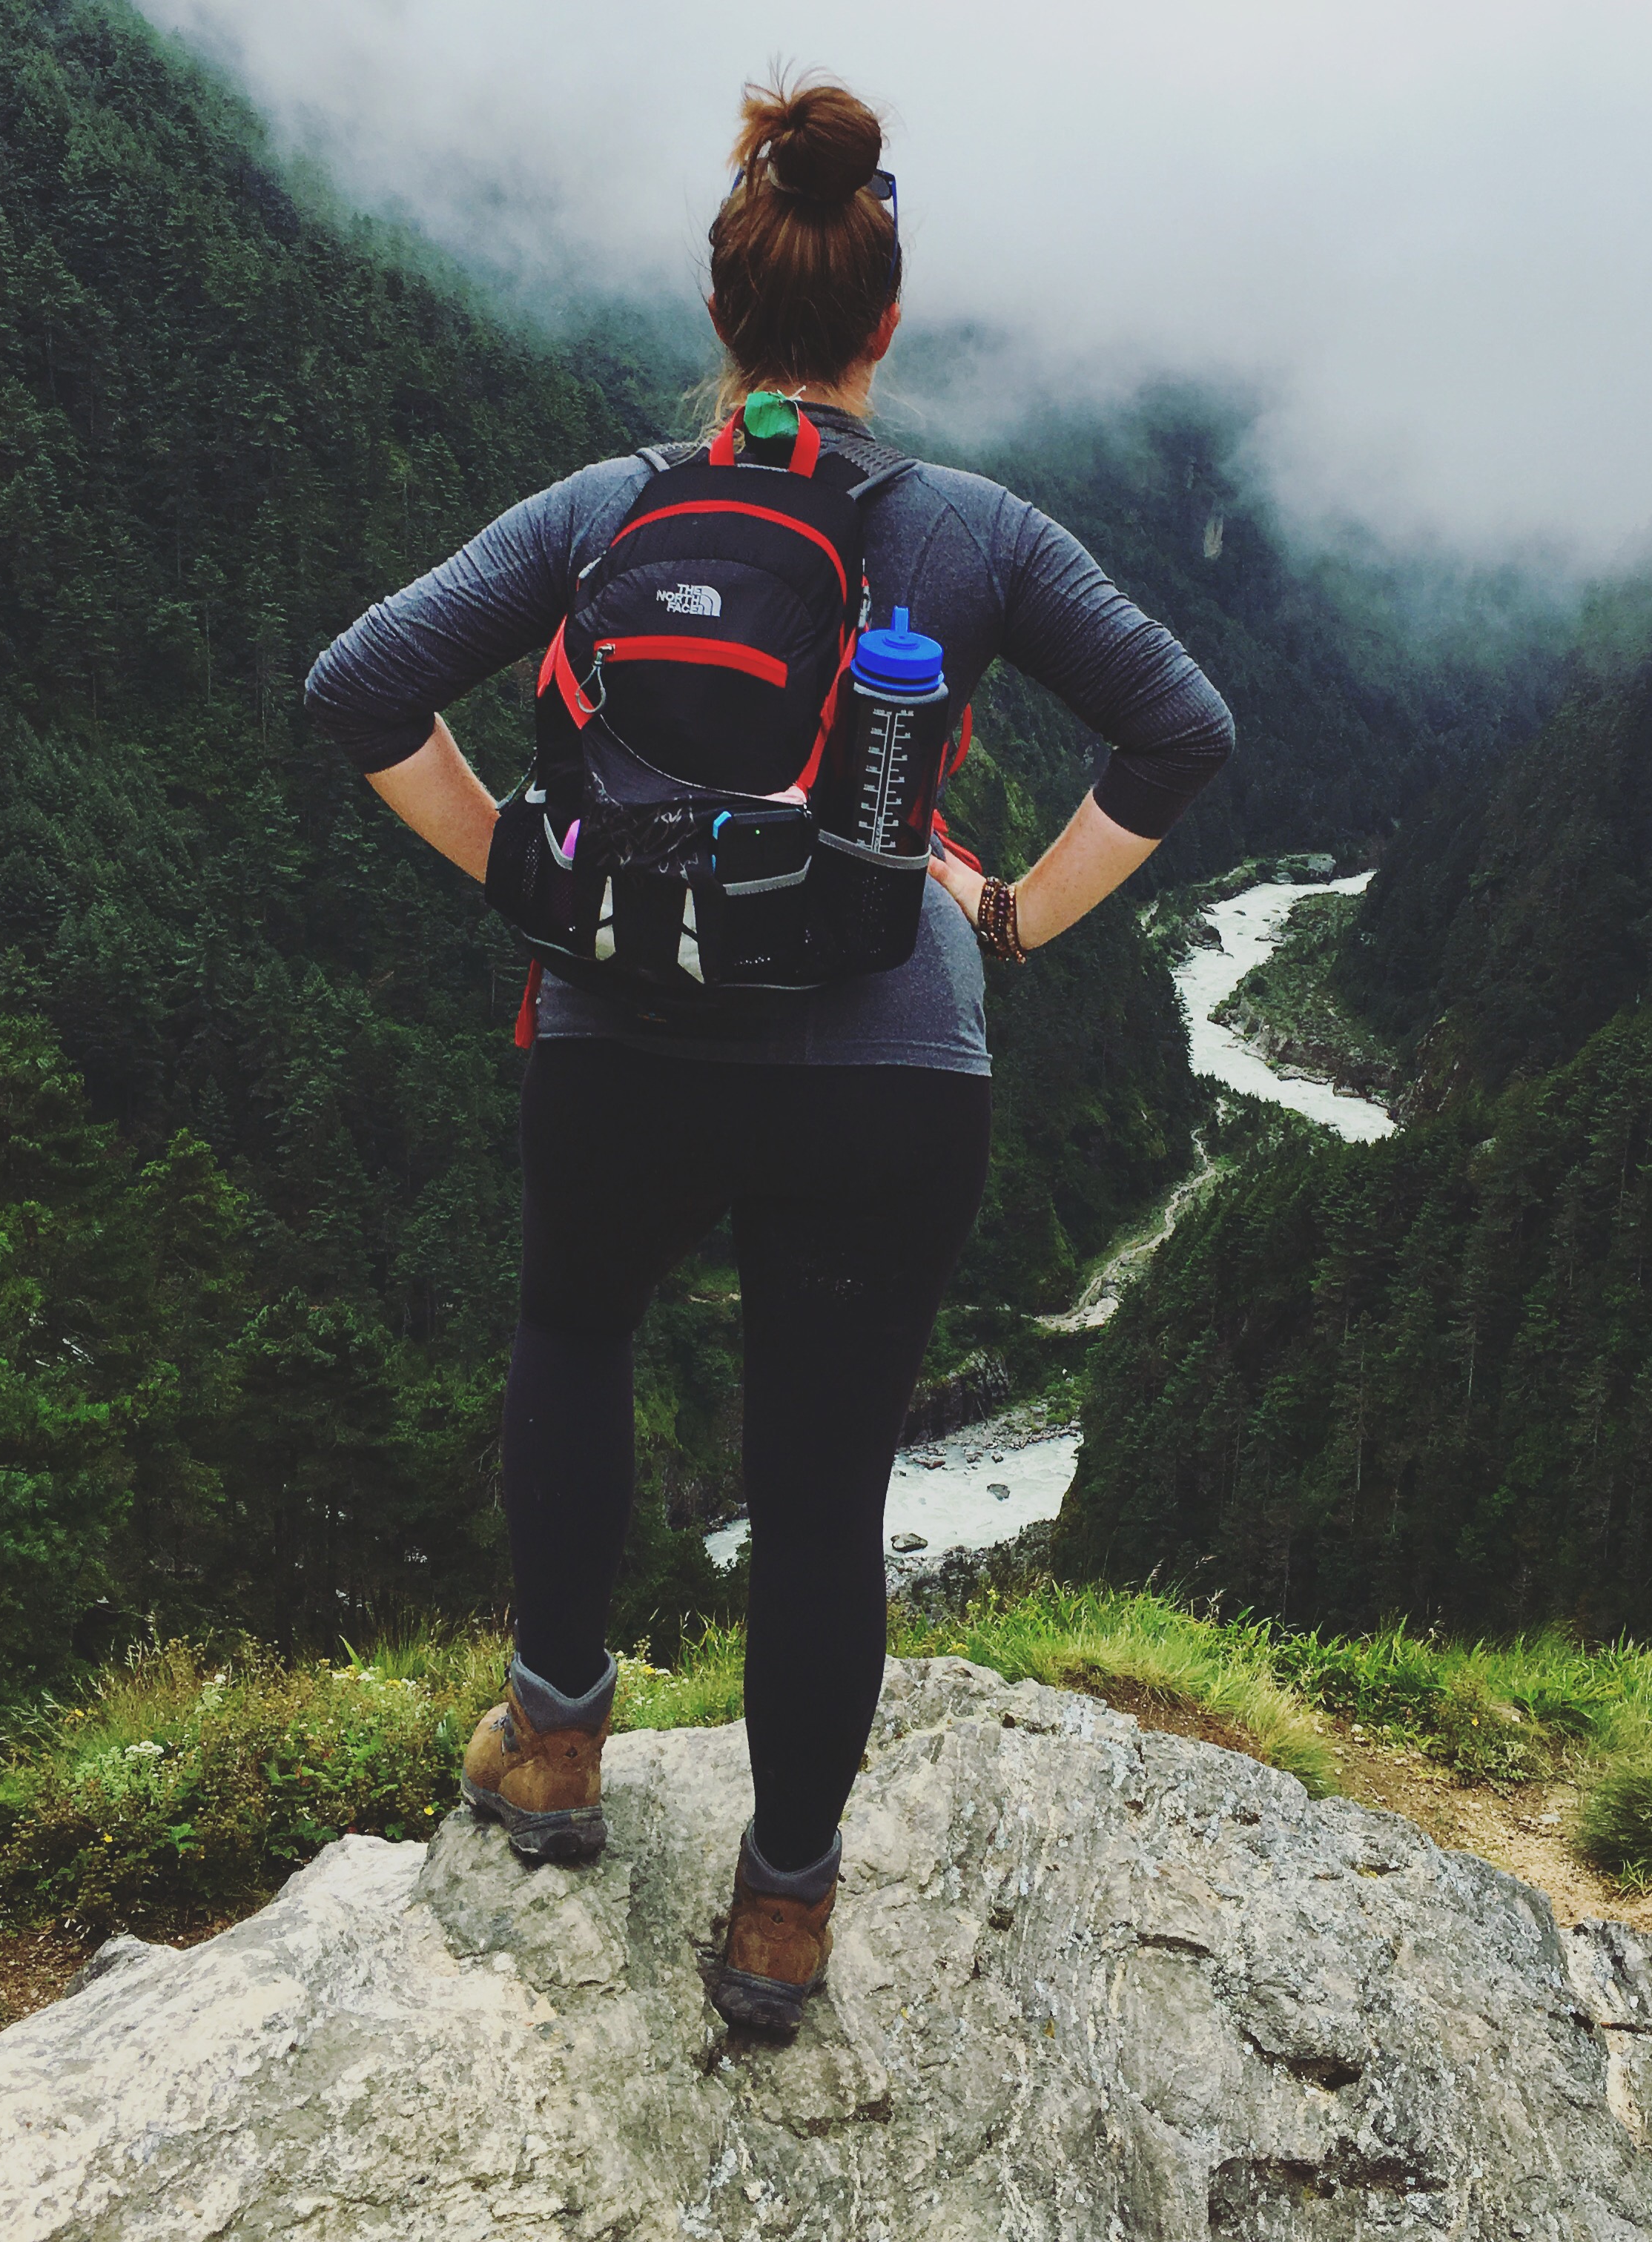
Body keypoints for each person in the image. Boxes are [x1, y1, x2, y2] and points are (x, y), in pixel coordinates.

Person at [305, 72, 1232, 2031]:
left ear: (722, 313)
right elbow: (1181, 729)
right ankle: (785, 1911)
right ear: (886, 320)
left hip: (618, 1035)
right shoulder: (973, 532)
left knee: (574, 1333)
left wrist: (524, 876)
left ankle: (557, 1743)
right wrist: (1013, 917)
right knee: (821, 1497)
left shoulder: (605, 511)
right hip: (889, 1073)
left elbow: (362, 683)